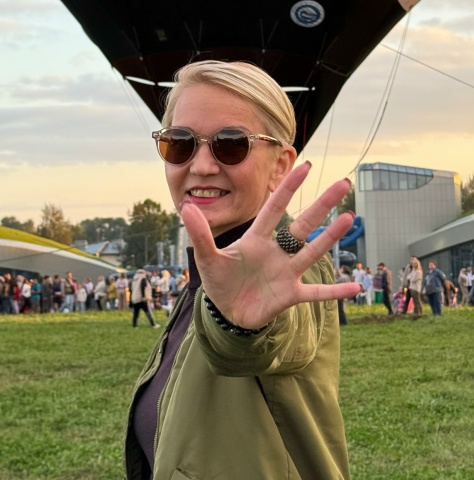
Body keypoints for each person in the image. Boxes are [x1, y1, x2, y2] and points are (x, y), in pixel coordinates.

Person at [124, 60, 360, 480]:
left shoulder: (294, 267)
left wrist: (240, 324)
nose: (201, 166)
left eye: (230, 144)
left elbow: (268, 339)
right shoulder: (208, 269)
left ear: (280, 165)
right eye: (179, 143)